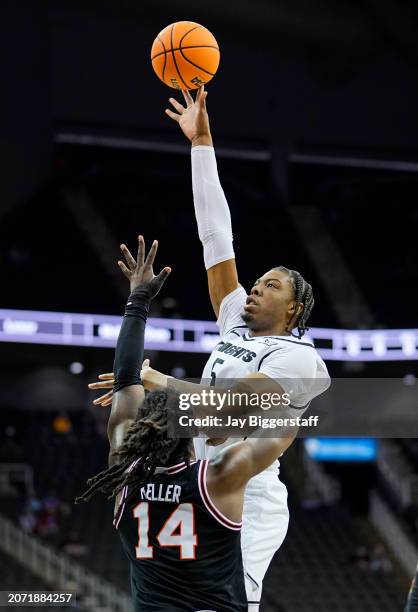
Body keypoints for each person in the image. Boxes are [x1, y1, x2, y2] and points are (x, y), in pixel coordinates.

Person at [91, 87, 331, 610]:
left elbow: (227, 410)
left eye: (270, 286)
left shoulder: (300, 359)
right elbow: (215, 235)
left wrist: (151, 383)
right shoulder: (234, 323)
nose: (255, 289)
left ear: (292, 311)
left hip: (245, 492)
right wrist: (202, 142)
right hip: (194, 478)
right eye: (257, 281)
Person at [79, 236, 295, 612]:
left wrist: (138, 302)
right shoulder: (214, 480)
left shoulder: (124, 478)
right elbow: (290, 418)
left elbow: (126, 383)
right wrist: (139, 300)